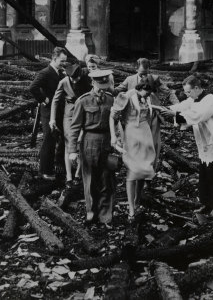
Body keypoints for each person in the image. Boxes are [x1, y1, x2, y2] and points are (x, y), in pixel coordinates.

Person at [158, 74, 213, 217]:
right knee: (206, 174)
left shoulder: (210, 99)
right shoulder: (194, 99)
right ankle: (207, 203)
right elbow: (181, 106)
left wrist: (174, 114)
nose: (187, 95)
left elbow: (198, 114)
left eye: (188, 92)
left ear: (197, 88)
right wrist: (164, 109)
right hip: (205, 143)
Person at [68, 69, 115, 227]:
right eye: (99, 85)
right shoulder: (83, 101)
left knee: (107, 179)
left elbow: (116, 123)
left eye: (105, 84)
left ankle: (106, 215)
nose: (102, 88)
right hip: (89, 141)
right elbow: (74, 127)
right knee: (89, 180)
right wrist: (72, 151)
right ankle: (91, 211)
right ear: (92, 83)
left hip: (107, 142)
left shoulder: (111, 99)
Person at [115, 57, 178, 167]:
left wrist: (177, 106)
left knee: (152, 144)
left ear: (149, 69)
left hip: (152, 115)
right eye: (142, 73)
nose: (144, 76)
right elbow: (117, 91)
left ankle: (149, 171)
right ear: (136, 69)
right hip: (134, 118)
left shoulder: (154, 78)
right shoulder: (129, 80)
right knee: (134, 144)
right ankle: (135, 169)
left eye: (146, 73)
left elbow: (168, 92)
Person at [110, 79, 156, 221]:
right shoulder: (126, 96)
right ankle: (130, 208)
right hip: (131, 134)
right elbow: (113, 116)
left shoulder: (147, 98)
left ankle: (137, 201)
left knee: (143, 169)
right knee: (133, 170)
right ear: (139, 88)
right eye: (146, 92)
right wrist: (114, 136)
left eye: (149, 93)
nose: (147, 96)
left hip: (145, 134)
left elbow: (149, 114)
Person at [50, 62, 92, 187]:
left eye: (77, 78)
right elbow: (55, 101)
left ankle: (78, 175)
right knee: (69, 142)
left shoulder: (87, 79)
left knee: (82, 142)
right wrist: (52, 119)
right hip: (69, 113)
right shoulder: (63, 82)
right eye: (72, 79)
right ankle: (68, 178)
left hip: (84, 112)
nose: (74, 81)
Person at [29, 47, 68, 181]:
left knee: (62, 137)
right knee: (49, 140)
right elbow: (33, 87)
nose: (64, 63)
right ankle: (44, 171)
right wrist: (43, 99)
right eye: (62, 61)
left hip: (60, 111)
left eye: (65, 61)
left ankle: (59, 165)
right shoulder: (45, 72)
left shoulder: (61, 74)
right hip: (48, 112)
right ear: (54, 58)